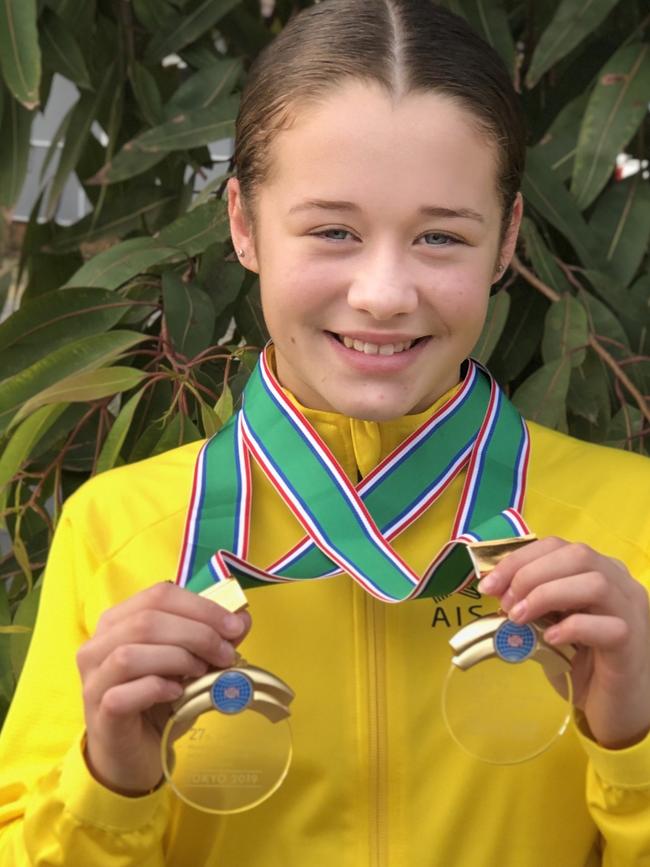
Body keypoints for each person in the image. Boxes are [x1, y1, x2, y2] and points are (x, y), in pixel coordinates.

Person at [1, 1, 649, 864]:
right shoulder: (117, 530)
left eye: (440, 236)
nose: (384, 291)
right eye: (334, 231)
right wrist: (110, 778)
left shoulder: (628, 527)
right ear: (242, 224)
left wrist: (637, 735)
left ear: (506, 243)